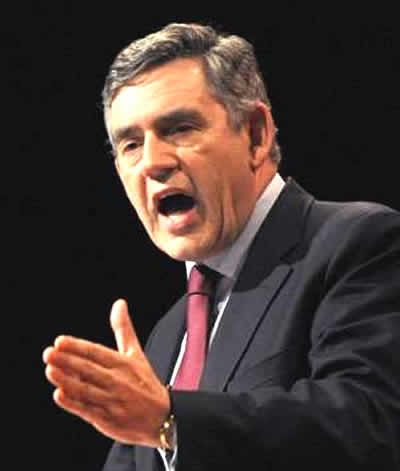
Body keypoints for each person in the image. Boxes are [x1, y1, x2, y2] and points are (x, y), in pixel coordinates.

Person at [43, 23, 400, 470]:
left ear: (256, 134)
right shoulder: (167, 337)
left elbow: (369, 423)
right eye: (131, 144)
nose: (152, 162)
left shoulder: (358, 244)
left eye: (179, 128)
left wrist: (171, 419)